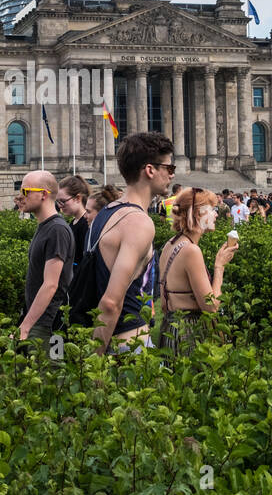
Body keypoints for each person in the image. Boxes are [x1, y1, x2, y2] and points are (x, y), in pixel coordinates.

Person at [92, 132, 173, 354]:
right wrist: (93, 360)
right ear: (150, 170)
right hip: (127, 343)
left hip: (111, 338)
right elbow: (111, 302)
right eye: (169, 168)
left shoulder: (106, 212)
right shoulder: (138, 223)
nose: (172, 176)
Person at [154, 187, 236, 356]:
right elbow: (211, 306)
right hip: (189, 332)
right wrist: (219, 266)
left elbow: (163, 303)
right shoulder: (191, 250)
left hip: (170, 329)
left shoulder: (170, 244)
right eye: (212, 210)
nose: (216, 215)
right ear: (198, 213)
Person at [17, 171, 74, 351]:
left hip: (49, 324)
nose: (20, 196)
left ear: (43, 194)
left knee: (51, 374)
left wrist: (25, 326)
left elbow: (51, 285)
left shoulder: (56, 229)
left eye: (26, 191)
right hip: (39, 321)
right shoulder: (46, 227)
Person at [56, 175, 90, 270]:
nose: (60, 206)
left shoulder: (86, 224)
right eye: (58, 202)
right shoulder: (73, 222)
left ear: (78, 198)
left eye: (63, 201)